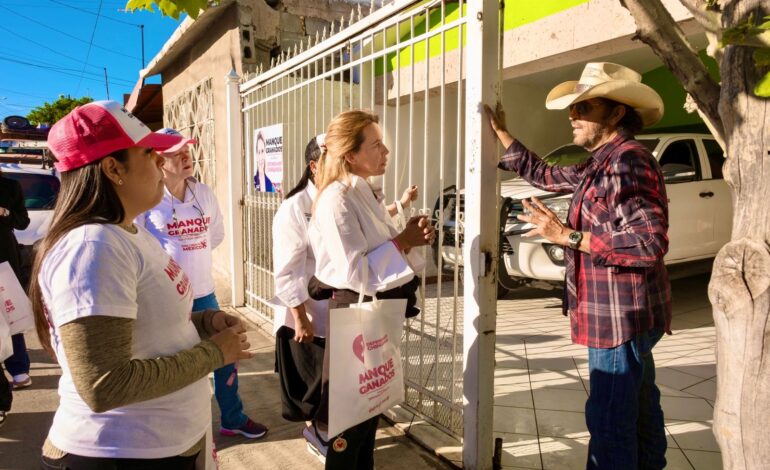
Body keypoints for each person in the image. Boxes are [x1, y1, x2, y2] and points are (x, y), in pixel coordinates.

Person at [29, 100, 251, 468]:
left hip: (157, 446)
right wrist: (215, 353)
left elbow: (149, 327)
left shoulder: (127, 232)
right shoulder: (93, 247)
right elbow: (105, 384)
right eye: (150, 155)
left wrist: (206, 322)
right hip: (122, 453)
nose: (161, 167)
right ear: (113, 169)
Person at [485, 62, 671, 469]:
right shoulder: (601, 162)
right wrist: (501, 133)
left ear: (617, 113)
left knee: (609, 422)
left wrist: (564, 235)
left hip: (619, 318)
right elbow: (546, 174)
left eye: (584, 107)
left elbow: (648, 242)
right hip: (618, 315)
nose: (573, 115)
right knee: (638, 410)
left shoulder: (628, 162)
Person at [271, 133, 420, 463]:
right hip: (315, 318)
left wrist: (404, 239)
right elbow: (287, 270)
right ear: (315, 165)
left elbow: (371, 250)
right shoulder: (296, 208)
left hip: (353, 316)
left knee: (354, 404)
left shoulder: (354, 196)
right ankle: (323, 437)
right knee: (329, 402)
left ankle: (329, 439)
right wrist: (299, 317)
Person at [307, 110, 434, 469]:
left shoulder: (364, 191)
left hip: (375, 311)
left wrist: (409, 236)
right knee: (351, 421)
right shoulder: (336, 200)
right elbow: (354, 270)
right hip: (356, 311)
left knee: (370, 410)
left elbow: (383, 246)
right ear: (350, 154)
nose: (386, 150)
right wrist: (402, 244)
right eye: (376, 144)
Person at [138, 127, 268, 440]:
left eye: (188, 150)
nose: (186, 156)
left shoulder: (203, 193)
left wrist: (190, 250)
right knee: (176, 365)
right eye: (176, 152)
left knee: (227, 358)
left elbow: (216, 233)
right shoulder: (147, 201)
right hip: (166, 300)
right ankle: (174, 431)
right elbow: (139, 247)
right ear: (158, 160)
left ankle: (232, 419)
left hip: (205, 294)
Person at [0, 167, 31, 418]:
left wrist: (5, 212)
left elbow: (23, 221)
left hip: (4, 260)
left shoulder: (10, 186)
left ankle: (19, 369)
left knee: (11, 315)